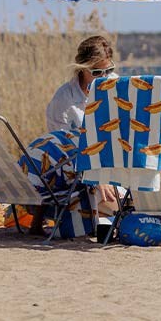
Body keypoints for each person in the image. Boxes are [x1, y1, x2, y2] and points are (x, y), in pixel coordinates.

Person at [32, 35, 119, 234]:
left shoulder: (116, 86)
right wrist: (97, 176)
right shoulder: (64, 99)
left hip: (110, 161)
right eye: (97, 72)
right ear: (82, 68)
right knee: (106, 195)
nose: (105, 77)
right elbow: (59, 148)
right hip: (74, 166)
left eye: (109, 70)